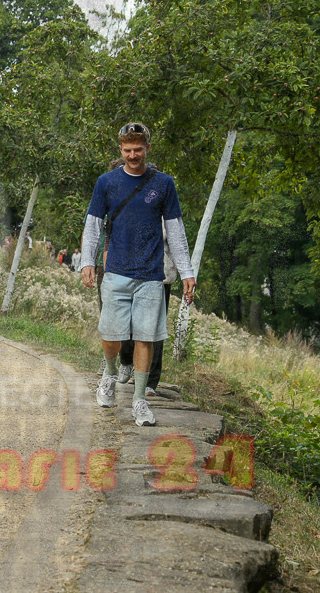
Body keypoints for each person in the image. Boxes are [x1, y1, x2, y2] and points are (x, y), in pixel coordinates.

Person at [78, 122, 195, 427]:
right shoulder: (107, 182)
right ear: (121, 149)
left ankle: (139, 399)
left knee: (146, 337)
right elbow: (93, 225)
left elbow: (176, 230)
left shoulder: (164, 184)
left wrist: (187, 272)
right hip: (116, 271)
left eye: (138, 150)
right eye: (127, 150)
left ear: (147, 149)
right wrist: (86, 262)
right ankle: (109, 373)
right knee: (110, 335)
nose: (133, 155)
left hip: (151, 274)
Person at [116, 225, 178, 396]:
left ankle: (150, 382)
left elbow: (177, 242)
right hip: (130, 272)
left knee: (154, 331)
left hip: (159, 275)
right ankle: (126, 361)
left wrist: (178, 269)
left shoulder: (166, 212)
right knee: (127, 323)